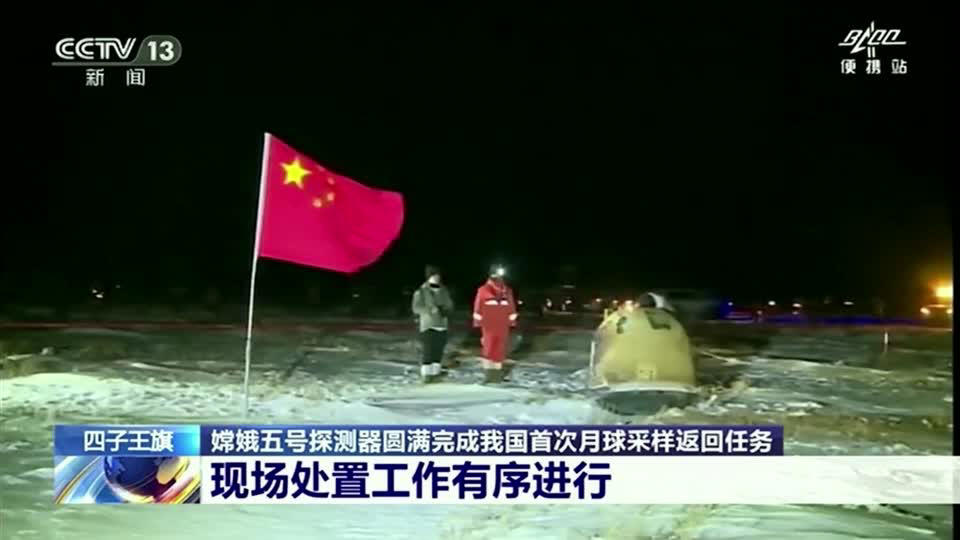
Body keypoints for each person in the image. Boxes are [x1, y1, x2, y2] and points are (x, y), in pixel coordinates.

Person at [472, 264, 517, 383]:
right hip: (489, 324)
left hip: (502, 324)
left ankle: (496, 375)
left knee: (499, 349)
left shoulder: (507, 291)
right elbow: (478, 307)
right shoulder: (483, 290)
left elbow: (511, 307)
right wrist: (478, 322)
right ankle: (489, 375)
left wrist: (511, 320)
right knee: (489, 348)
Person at [411, 265, 454, 383]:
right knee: (428, 350)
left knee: (438, 350)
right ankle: (427, 374)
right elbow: (416, 308)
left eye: (437, 276)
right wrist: (429, 310)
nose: (436, 278)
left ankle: (435, 373)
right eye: (433, 276)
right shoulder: (421, 291)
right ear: (428, 277)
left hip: (442, 325)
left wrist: (446, 309)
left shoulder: (444, 290)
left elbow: (450, 304)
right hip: (428, 325)